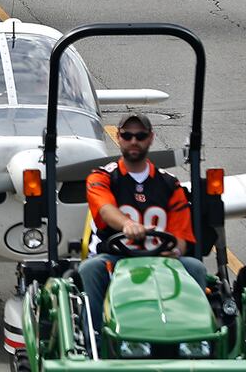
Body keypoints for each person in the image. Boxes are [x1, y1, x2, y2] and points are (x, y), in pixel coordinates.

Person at [77, 112, 210, 339]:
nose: (134, 141)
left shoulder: (169, 183)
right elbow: (106, 210)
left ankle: (195, 336)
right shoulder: (101, 177)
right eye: (127, 135)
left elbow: (181, 233)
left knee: (195, 267)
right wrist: (127, 225)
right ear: (118, 138)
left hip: (161, 259)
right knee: (90, 269)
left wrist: (176, 250)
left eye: (140, 135)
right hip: (115, 259)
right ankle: (96, 339)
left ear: (151, 138)